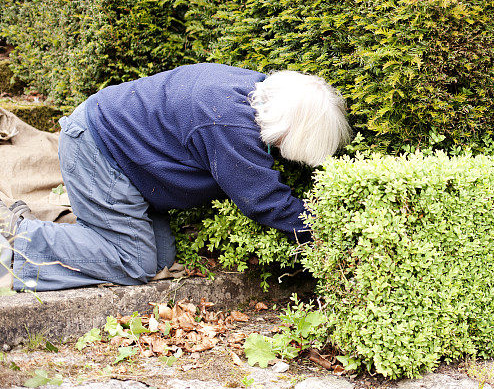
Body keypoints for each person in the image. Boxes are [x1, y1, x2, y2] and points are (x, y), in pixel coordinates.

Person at [0, 63, 351, 291]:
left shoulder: (257, 91)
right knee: (132, 263)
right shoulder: (230, 125)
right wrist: (328, 234)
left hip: (125, 159)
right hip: (97, 151)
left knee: (160, 259)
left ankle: (63, 239)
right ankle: (17, 241)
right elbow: (264, 201)